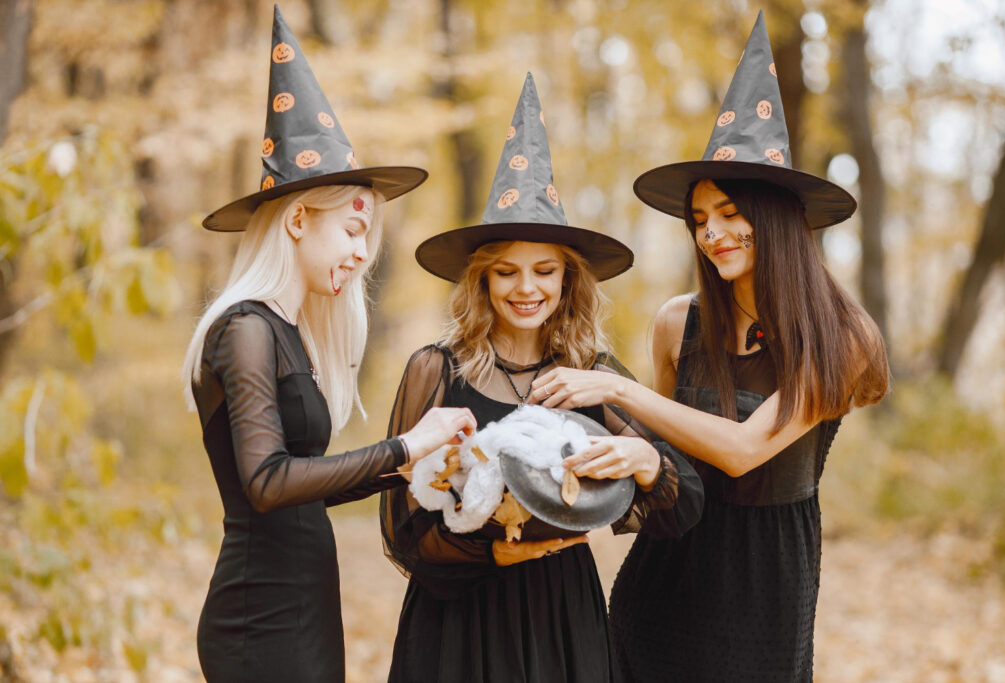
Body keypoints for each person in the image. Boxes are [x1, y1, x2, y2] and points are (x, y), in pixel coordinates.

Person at [529, 12, 890, 682]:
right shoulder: (677, 323)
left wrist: (616, 386)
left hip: (767, 583)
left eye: (730, 212)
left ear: (776, 217)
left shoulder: (844, 338)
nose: (713, 234)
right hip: (667, 572)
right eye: (700, 220)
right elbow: (668, 462)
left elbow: (742, 446)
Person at [380, 73, 704, 683]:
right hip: (458, 622)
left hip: (560, 614)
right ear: (481, 281)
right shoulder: (436, 369)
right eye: (506, 272)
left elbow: (683, 501)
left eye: (544, 271)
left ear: (567, 280)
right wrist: (491, 550)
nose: (526, 289)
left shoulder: (595, 376)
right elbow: (404, 528)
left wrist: (641, 457)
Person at [183, 8, 474, 681]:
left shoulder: (285, 332)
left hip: (304, 600)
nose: (360, 256)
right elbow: (267, 481)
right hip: (260, 618)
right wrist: (403, 446)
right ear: (295, 220)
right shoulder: (246, 329)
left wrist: (414, 460)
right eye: (351, 231)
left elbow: (303, 486)